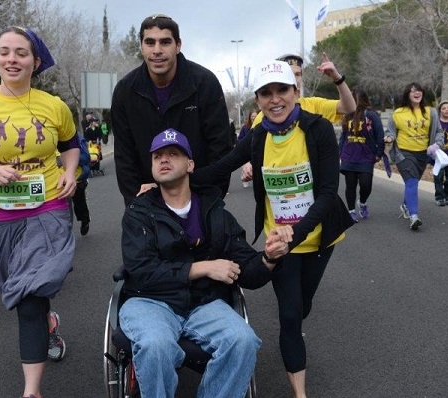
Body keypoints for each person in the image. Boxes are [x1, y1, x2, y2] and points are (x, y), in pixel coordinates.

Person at [191, 61, 354, 397]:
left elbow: (326, 193)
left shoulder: (318, 129)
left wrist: (299, 230)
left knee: (303, 305)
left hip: (320, 235)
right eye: (267, 93)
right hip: (280, 242)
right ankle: (300, 393)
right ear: (258, 100)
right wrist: (171, 179)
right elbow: (222, 167)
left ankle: (296, 329)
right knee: (291, 315)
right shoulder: (257, 136)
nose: (275, 99)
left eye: (282, 91)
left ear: (296, 93)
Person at [0, 26, 79, 398]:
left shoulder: (53, 105)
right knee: (19, 286)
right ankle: (46, 323)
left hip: (49, 206)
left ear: (35, 61)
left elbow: (71, 145)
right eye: (4, 52)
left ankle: (31, 390)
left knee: (30, 296)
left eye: (21, 53)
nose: (11, 59)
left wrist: (69, 172)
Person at [120, 128, 284, 398]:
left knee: (242, 341)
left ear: (190, 164)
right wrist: (204, 267)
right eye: (157, 156)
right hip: (149, 300)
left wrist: (269, 257)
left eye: (173, 154)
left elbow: (249, 272)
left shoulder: (214, 211)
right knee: (155, 344)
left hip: (203, 303)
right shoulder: (139, 213)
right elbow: (142, 272)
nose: (164, 159)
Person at [111, 13, 232, 206]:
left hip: (200, 198)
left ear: (178, 45)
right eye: (150, 42)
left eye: (165, 42)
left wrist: (210, 196)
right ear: (141, 46)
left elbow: (219, 147)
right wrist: (136, 200)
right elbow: (124, 155)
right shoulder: (125, 91)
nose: (157, 50)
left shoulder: (204, 83)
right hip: (148, 202)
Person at [241, 52, 356, 183]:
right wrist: (247, 164)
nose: (295, 79)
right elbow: (248, 150)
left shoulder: (314, 105)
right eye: (290, 74)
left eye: (298, 74)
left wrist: (337, 79)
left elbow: (349, 108)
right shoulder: (263, 118)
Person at [384, 82, 444, 230]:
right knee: (411, 181)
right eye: (413, 91)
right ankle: (414, 216)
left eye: (419, 91)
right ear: (407, 94)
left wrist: (437, 144)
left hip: (423, 154)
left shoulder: (431, 112)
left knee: (413, 182)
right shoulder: (398, 113)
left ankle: (406, 205)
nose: (417, 93)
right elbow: (390, 132)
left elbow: (439, 132)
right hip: (403, 153)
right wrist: (389, 138)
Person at [339, 88, 385, 222]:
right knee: (350, 185)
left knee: (366, 185)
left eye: (353, 98)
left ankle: (363, 202)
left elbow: (379, 135)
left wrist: (379, 153)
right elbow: (344, 135)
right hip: (349, 155)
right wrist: (339, 152)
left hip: (366, 156)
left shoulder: (371, 115)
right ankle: (351, 210)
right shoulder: (347, 115)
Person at [432, 100, 448, 206]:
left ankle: (446, 195)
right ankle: (439, 197)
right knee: (438, 177)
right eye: (444, 108)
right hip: (439, 155)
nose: (446, 110)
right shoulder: (436, 123)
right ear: (440, 110)